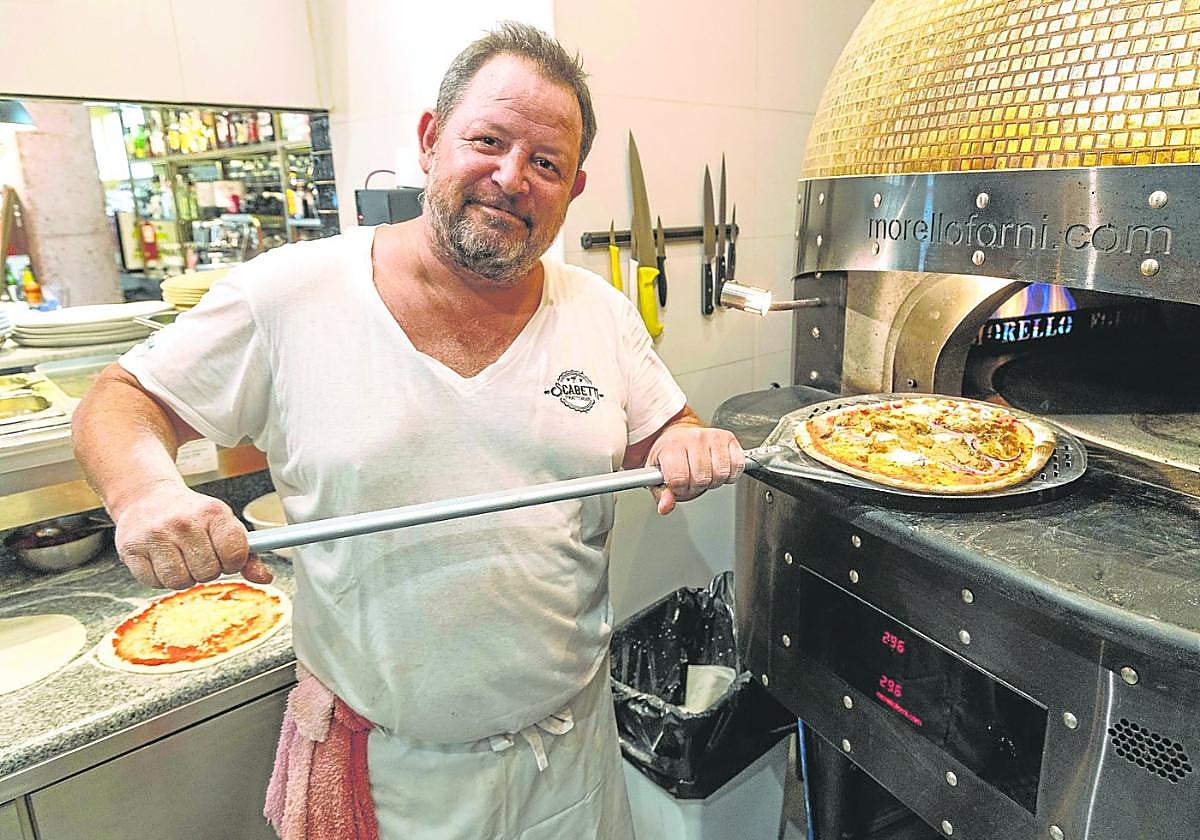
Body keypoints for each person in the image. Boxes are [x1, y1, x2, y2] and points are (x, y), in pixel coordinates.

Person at [71, 21, 745, 840]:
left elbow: (664, 429)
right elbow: (121, 397)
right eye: (487, 141)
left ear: (573, 187)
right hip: (396, 777)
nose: (511, 178)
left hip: (571, 755)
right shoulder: (290, 295)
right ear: (430, 141)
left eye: (545, 163)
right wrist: (145, 490)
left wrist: (682, 441)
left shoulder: (597, 313)